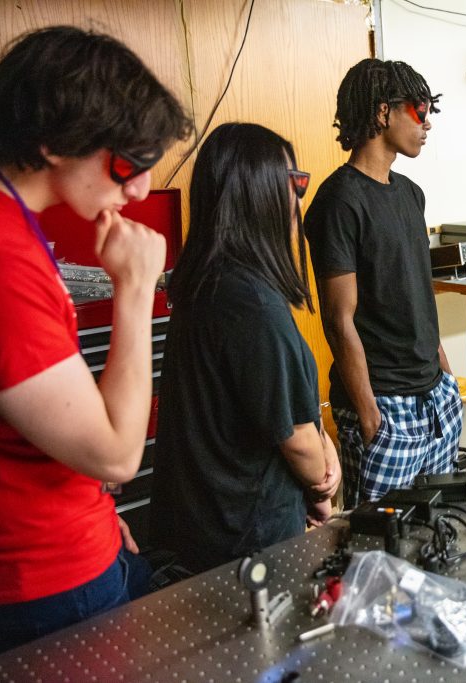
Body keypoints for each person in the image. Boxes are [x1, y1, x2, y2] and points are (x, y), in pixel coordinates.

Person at [0, 26, 192, 656]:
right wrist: (135, 288)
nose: (137, 191)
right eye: (126, 165)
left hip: (69, 542)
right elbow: (117, 456)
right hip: (43, 584)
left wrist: (95, 511)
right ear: (53, 143)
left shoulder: (10, 227)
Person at [149, 123, 341, 574]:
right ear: (259, 194)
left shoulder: (206, 282)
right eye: (294, 183)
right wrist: (320, 485)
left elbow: (284, 411)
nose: (299, 199)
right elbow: (296, 443)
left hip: (202, 530)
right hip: (245, 544)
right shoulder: (252, 304)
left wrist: (323, 446)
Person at [305, 59, 462, 508]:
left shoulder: (411, 193)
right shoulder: (339, 200)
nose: (427, 123)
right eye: (419, 109)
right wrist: (369, 415)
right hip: (385, 407)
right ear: (381, 113)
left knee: (440, 528)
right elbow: (339, 320)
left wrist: (444, 378)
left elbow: (417, 295)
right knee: (378, 547)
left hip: (435, 397)